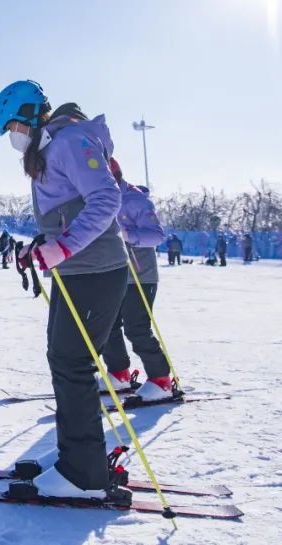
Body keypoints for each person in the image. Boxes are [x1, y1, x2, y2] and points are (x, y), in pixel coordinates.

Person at [0, 80, 129, 502]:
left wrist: (64, 246)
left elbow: (106, 200)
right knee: (63, 360)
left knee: (73, 365)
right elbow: (66, 211)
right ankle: (74, 456)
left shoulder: (70, 140)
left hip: (95, 270)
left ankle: (84, 475)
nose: (13, 137)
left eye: (14, 125)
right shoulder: (51, 148)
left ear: (34, 115)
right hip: (76, 272)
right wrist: (44, 243)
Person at [102, 158, 173, 401]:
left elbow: (156, 235)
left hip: (140, 276)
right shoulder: (99, 199)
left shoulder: (135, 199)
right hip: (113, 272)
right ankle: (119, 373)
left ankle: (161, 379)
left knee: (136, 328)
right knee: (108, 326)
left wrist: (128, 234)